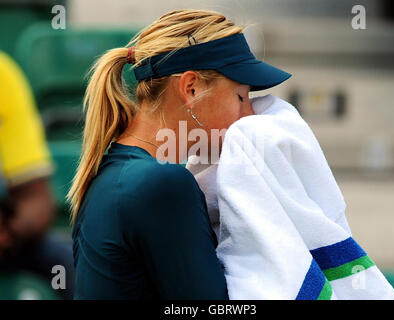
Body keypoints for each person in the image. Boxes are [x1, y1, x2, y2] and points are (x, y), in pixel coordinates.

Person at [68, 9, 290, 299]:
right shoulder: (162, 184)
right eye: (241, 97)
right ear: (191, 88)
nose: (249, 115)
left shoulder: (119, 173)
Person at [0, 50, 74, 300]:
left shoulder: (3, 75)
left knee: (72, 263)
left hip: (8, 247)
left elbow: (37, 200)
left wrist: (10, 230)